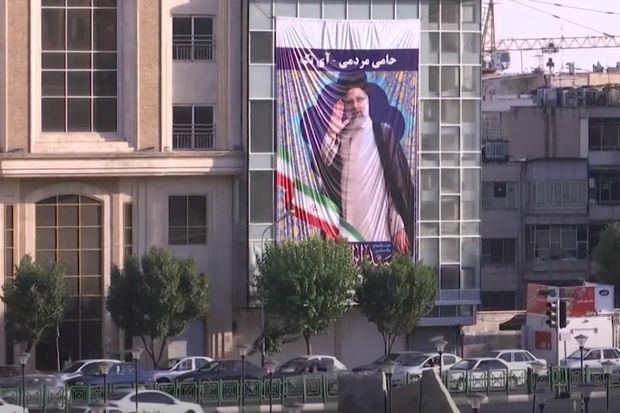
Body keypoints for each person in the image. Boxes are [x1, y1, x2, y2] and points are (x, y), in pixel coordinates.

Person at [313, 71, 415, 253]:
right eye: (349, 102)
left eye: (360, 99)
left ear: (368, 101)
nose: (355, 106)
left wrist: (399, 225)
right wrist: (332, 132)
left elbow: (396, 185)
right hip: (345, 234)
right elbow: (320, 171)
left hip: (380, 233)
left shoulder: (382, 134)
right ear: (343, 105)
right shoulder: (338, 138)